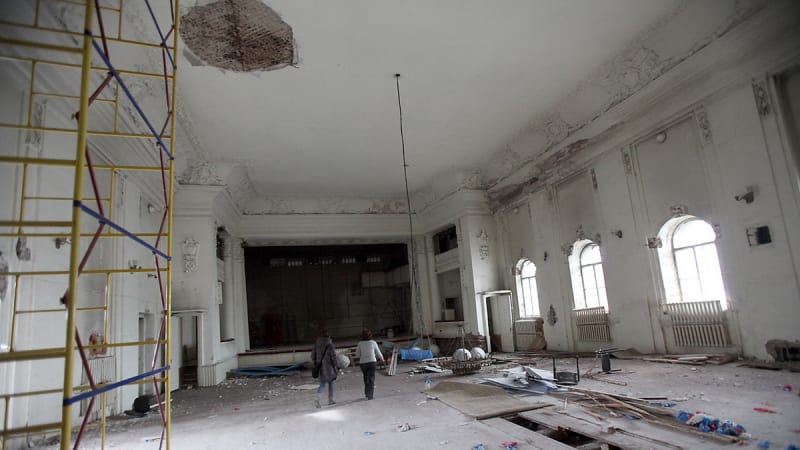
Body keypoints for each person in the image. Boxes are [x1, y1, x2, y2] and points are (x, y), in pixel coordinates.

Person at [311, 328, 339, 408]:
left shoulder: (317, 343)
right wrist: (337, 366)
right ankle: (330, 399)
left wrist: (316, 362)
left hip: (320, 367)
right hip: (329, 367)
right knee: (331, 383)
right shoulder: (330, 344)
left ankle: (317, 399)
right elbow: (333, 357)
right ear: (328, 335)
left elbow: (312, 355)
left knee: (322, 384)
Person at [355, 328, 385, 400]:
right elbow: (378, 352)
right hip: (372, 362)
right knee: (371, 378)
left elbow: (357, 355)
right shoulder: (373, 342)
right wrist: (382, 359)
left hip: (363, 363)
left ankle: (366, 394)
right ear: (370, 335)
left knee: (366, 378)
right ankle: (370, 395)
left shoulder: (360, 343)